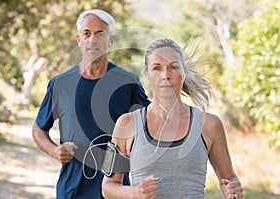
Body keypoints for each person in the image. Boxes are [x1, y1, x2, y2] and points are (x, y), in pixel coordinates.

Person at [102, 38, 243, 199]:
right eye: (157, 68)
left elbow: (229, 178)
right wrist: (134, 192)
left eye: (173, 67)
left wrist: (232, 189)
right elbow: (107, 187)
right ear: (146, 74)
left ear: (184, 72)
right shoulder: (126, 124)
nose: (166, 75)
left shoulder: (210, 125)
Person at [32, 9, 149, 199]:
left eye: (99, 33)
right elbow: (38, 128)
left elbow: (151, 123)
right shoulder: (60, 84)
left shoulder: (128, 83)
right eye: (87, 33)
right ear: (79, 39)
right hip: (72, 188)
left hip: (115, 189)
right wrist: (55, 150)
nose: (92, 39)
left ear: (111, 41)